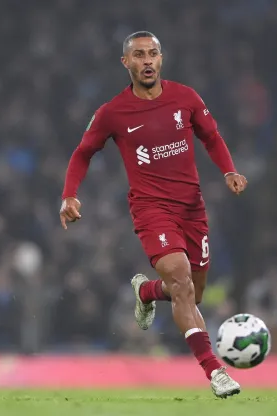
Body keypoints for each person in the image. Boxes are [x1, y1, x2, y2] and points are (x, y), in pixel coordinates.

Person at [59, 31, 247, 398]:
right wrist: (69, 195)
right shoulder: (112, 113)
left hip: (192, 209)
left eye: (153, 54)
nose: (147, 61)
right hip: (151, 210)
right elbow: (83, 153)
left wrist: (229, 170)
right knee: (181, 281)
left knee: (194, 294)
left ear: (161, 59)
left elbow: (211, 136)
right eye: (139, 55)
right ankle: (215, 372)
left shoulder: (186, 98)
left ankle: (146, 291)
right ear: (126, 62)